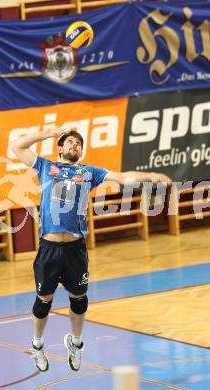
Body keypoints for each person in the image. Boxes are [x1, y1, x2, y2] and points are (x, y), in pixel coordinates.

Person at [11, 128, 171, 372]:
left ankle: (75, 343)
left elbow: (123, 178)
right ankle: (37, 344)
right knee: (44, 301)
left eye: (78, 144)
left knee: (79, 299)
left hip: (75, 248)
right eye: (70, 142)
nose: (75, 146)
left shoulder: (89, 172)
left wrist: (150, 175)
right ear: (60, 148)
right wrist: (47, 134)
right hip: (49, 247)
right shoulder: (45, 167)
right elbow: (17, 147)